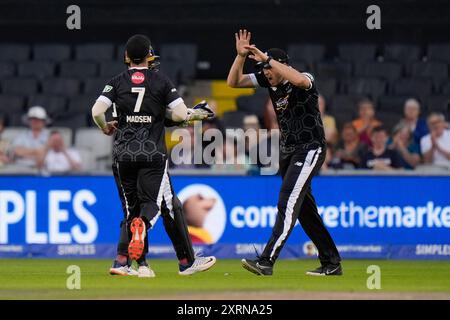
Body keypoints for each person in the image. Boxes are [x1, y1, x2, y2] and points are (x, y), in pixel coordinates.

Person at [91, 34, 216, 277]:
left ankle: (127, 262)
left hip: (123, 153)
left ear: (127, 57)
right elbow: (178, 115)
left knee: (132, 210)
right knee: (157, 206)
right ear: (149, 56)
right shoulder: (160, 80)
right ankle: (184, 260)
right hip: (152, 153)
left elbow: (97, 110)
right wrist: (193, 114)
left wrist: (105, 127)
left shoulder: (116, 82)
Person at [227, 29, 341, 276]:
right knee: (305, 211)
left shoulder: (302, 78)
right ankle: (331, 262)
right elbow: (233, 82)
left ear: (282, 65)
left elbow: (300, 81)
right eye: (265, 70)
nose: (267, 74)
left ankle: (266, 260)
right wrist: (240, 57)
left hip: (310, 148)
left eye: (270, 69)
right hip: (288, 151)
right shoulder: (270, 78)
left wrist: (268, 60)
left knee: (287, 201)